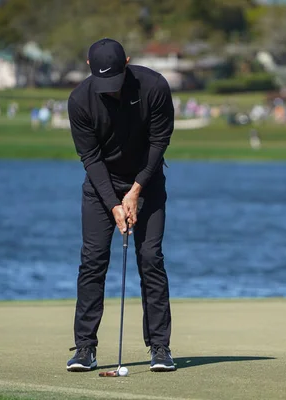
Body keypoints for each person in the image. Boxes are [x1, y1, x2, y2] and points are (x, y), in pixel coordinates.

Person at [66, 38, 176, 373]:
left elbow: (160, 142)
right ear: (88, 66)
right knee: (93, 260)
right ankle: (85, 348)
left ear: (127, 62)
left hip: (148, 180)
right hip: (102, 186)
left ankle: (160, 348)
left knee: (150, 258)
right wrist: (115, 203)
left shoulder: (154, 87)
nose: (110, 91)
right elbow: (91, 158)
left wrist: (137, 190)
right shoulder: (79, 101)